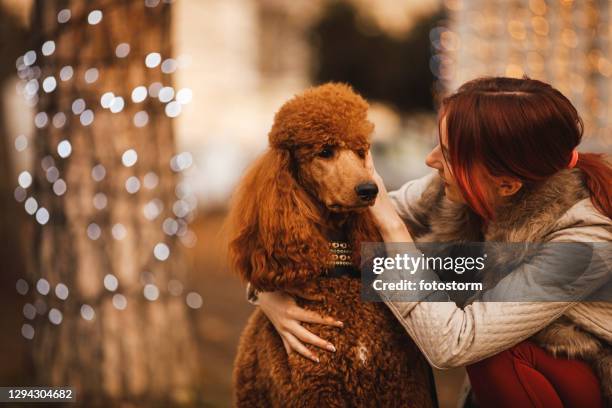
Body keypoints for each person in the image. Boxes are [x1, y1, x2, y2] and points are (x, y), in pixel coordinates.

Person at [247, 77, 612, 407]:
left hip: (582, 376)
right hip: (510, 383)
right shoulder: (461, 186)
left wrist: (392, 231)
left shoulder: (584, 244)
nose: (430, 160)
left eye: (449, 155)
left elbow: (455, 343)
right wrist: (269, 291)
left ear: (506, 184)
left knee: (495, 352)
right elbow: (329, 226)